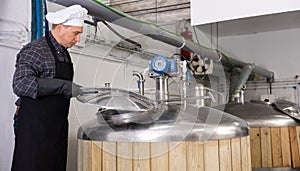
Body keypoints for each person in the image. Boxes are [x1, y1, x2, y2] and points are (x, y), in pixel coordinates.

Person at [11, 5, 88, 171]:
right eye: (76, 33)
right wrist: (63, 86)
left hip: (56, 127)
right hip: (34, 128)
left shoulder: (63, 52)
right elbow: (21, 83)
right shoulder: (35, 50)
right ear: (60, 28)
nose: (78, 39)